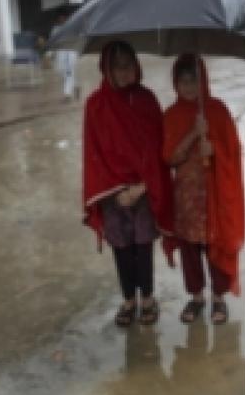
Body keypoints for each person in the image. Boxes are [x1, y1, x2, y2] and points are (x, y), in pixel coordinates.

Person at [82, 41, 173, 326]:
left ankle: (147, 298)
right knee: (121, 248)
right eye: (117, 66)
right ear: (106, 68)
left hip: (143, 189)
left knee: (143, 245)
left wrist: (143, 186)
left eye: (128, 65)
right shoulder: (95, 105)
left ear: (137, 66)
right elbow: (93, 152)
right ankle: (128, 300)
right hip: (112, 194)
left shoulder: (147, 101)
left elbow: (159, 147)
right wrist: (117, 189)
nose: (124, 72)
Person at [162, 54, 245, 325]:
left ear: (203, 81)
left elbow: (233, 152)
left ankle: (218, 297)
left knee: (215, 243)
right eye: (183, 81)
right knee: (190, 250)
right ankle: (196, 297)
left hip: (214, 196)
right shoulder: (172, 115)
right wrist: (193, 136)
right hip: (186, 199)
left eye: (193, 81)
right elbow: (169, 158)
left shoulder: (218, 110)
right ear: (176, 83)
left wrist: (215, 150)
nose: (188, 87)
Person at [51, 14, 78, 100]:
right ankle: (76, 85)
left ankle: (67, 94)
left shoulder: (73, 26)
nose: (62, 19)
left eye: (63, 18)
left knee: (69, 72)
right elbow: (53, 41)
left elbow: (77, 38)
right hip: (61, 52)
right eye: (60, 18)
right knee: (61, 71)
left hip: (71, 51)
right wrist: (50, 53)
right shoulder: (55, 29)